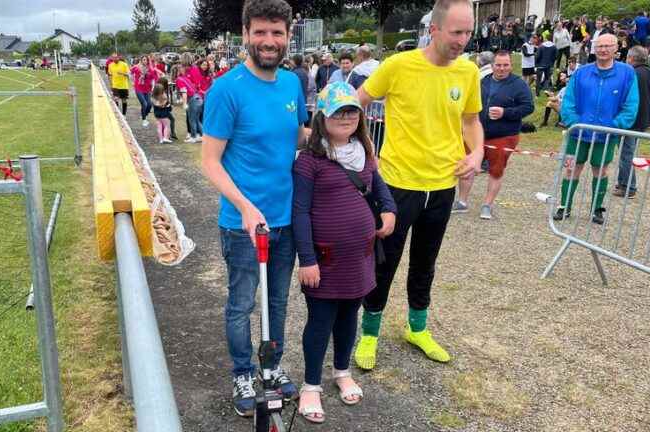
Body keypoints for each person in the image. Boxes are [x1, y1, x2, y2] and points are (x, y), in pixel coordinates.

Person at [353, 0, 484, 370]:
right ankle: (369, 334)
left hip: (442, 186)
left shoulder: (469, 73)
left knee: (426, 261)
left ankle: (418, 328)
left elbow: (471, 121)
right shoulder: (397, 65)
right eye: (456, 32)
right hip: (397, 185)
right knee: (385, 262)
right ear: (435, 29)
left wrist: (475, 156)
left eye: (468, 32)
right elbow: (356, 103)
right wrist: (364, 150)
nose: (463, 40)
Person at [201, 0, 309, 417]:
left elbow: (296, 137)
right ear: (245, 34)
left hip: (285, 220)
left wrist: (335, 134)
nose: (269, 41)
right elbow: (209, 162)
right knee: (242, 304)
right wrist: (245, 206)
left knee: (278, 302)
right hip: (243, 225)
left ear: (288, 35)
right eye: (261, 32)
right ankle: (244, 372)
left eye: (277, 32)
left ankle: (272, 366)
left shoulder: (291, 85)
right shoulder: (226, 89)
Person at [292, 81, 396, 423]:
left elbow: (379, 187)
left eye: (352, 110)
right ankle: (310, 385)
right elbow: (300, 212)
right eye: (339, 111)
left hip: (361, 257)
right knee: (321, 322)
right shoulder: (310, 161)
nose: (347, 116)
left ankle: (341, 371)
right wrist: (306, 259)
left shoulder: (364, 152)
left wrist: (389, 210)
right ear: (323, 116)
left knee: (349, 317)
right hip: (324, 260)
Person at [555, 33, 639, 224]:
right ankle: (564, 206)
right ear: (594, 48)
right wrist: (574, 122)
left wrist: (615, 126)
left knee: (600, 170)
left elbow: (631, 105)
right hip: (578, 133)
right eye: (599, 46)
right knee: (571, 169)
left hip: (607, 136)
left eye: (607, 46)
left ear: (616, 48)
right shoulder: (581, 73)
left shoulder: (627, 73)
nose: (602, 50)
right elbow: (568, 101)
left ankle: (597, 210)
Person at [454, 50, 533, 220]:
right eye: (498, 65)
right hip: (477, 133)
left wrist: (506, 112)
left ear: (511, 65)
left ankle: (487, 205)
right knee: (467, 165)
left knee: (495, 171)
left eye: (506, 65)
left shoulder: (519, 85)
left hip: (504, 135)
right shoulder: (483, 81)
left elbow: (528, 107)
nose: (502, 68)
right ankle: (461, 202)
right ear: (492, 65)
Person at [614, 46, 650, 198]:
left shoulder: (630, 73)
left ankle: (629, 187)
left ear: (631, 58)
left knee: (626, 153)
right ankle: (623, 181)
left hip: (631, 119)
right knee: (627, 151)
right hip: (644, 119)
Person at [176, 63, 203, 143]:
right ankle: (203, 135)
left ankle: (193, 137)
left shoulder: (179, 79)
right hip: (198, 98)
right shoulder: (185, 78)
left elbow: (184, 92)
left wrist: (184, 104)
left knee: (192, 119)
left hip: (192, 99)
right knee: (197, 120)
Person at [131, 56, 156, 127]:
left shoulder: (150, 69)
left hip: (147, 89)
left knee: (150, 104)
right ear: (141, 60)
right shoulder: (136, 67)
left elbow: (153, 78)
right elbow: (130, 72)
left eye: (146, 60)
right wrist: (133, 81)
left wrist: (153, 87)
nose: (145, 61)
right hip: (138, 88)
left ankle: (144, 115)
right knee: (144, 104)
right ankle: (144, 120)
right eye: (144, 60)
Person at [152, 77, 173, 144]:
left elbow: (156, 104)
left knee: (159, 126)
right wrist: (167, 104)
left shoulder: (154, 97)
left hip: (156, 114)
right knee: (167, 125)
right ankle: (166, 138)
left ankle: (161, 139)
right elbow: (164, 104)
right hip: (163, 114)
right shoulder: (163, 96)